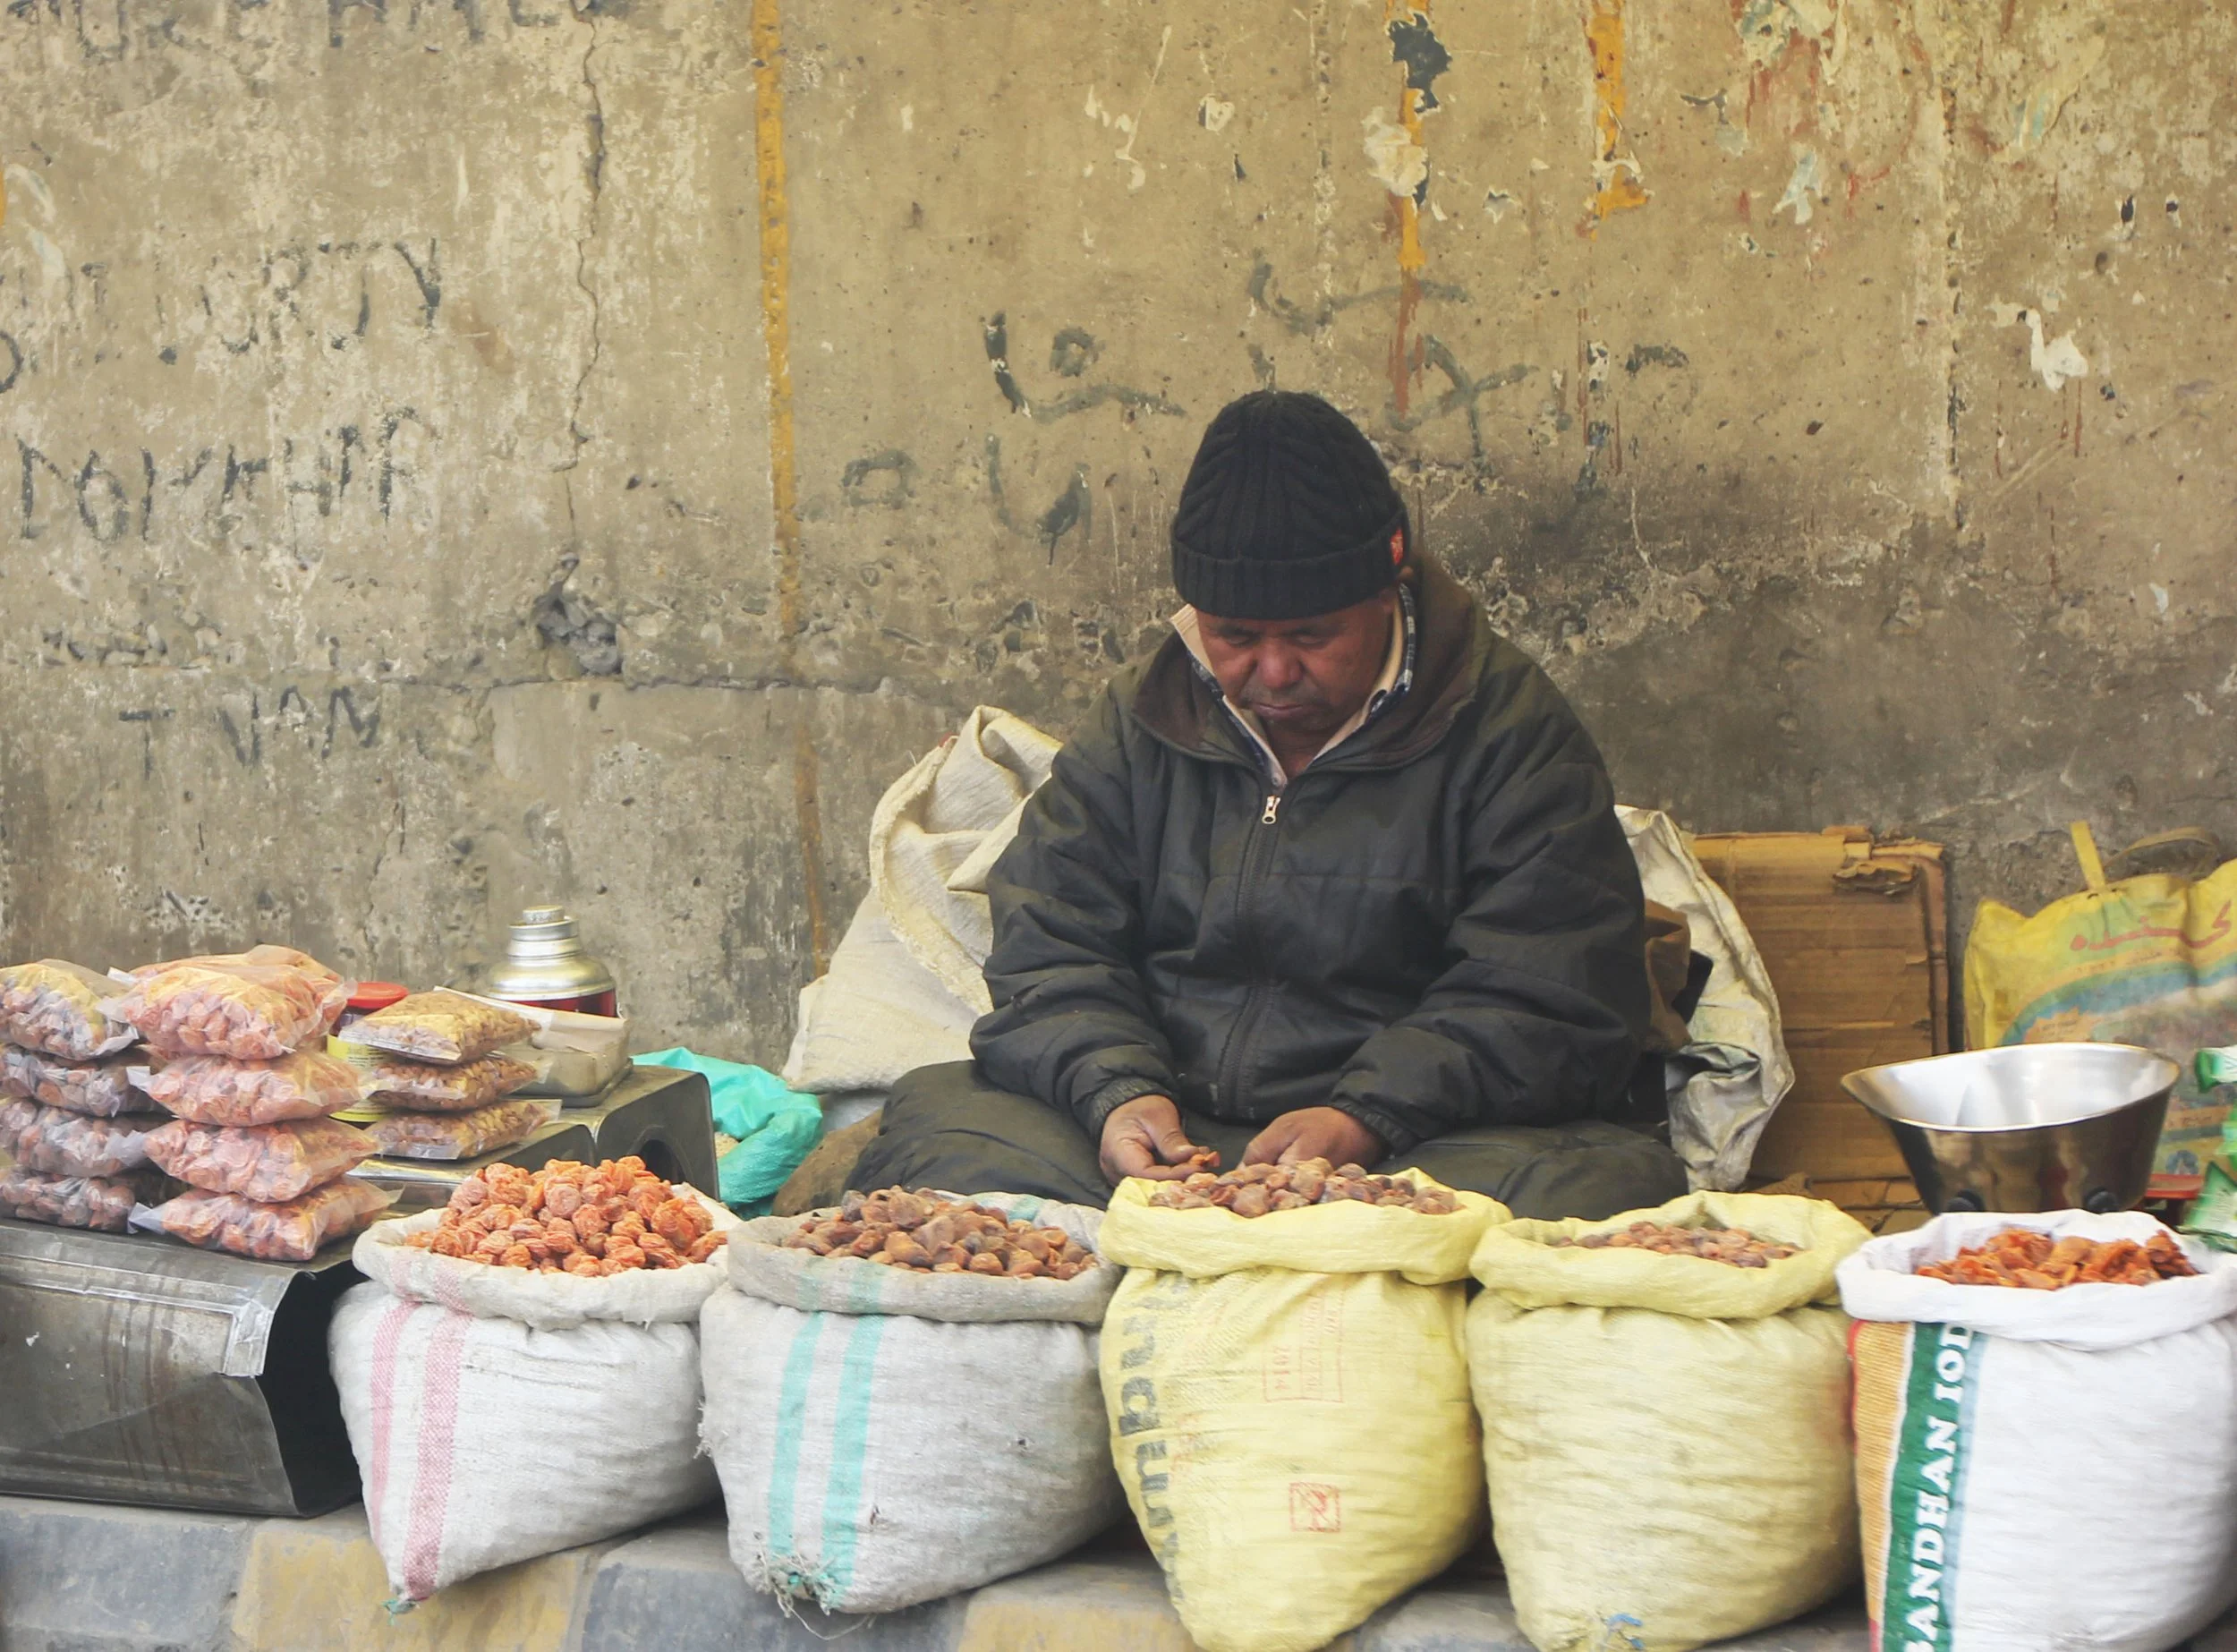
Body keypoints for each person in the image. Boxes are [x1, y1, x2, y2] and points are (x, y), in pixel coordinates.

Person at [853, 390, 1686, 1219]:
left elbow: (1550, 989)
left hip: (1413, 1140)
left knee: (1599, 1184)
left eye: (1313, 638)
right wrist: (1117, 1092)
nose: (1274, 674)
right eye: (1237, 638)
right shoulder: (1145, 715)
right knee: (939, 1131)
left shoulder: (1505, 728)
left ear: (1386, 588)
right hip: (1182, 1125)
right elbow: (1053, 939)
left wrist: (1366, 1115)